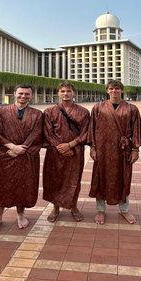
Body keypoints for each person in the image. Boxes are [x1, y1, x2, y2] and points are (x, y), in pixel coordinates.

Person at [0, 84, 43, 234]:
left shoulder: (37, 114)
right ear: (14, 94)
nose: (23, 96)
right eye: (21, 93)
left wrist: (21, 149)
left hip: (26, 154)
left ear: (31, 96)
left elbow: (37, 134)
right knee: (0, 185)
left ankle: (21, 214)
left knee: (23, 185)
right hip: (6, 154)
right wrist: (11, 147)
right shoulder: (1, 112)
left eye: (27, 94)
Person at [88, 80, 141, 225]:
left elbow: (137, 130)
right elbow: (92, 129)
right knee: (100, 177)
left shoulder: (131, 108)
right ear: (107, 90)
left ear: (121, 90)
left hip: (123, 150)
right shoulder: (99, 107)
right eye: (111, 89)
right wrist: (93, 148)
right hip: (103, 149)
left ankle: (124, 209)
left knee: (124, 178)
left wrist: (135, 150)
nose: (114, 91)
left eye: (117, 89)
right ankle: (101, 210)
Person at [43, 82, 90, 222]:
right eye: (63, 91)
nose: (65, 94)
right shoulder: (49, 111)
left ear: (74, 93)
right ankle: (56, 208)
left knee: (74, 180)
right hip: (55, 151)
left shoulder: (83, 112)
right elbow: (47, 132)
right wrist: (60, 147)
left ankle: (74, 206)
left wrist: (70, 145)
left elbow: (86, 132)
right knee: (55, 179)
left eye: (69, 91)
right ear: (58, 93)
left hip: (75, 151)